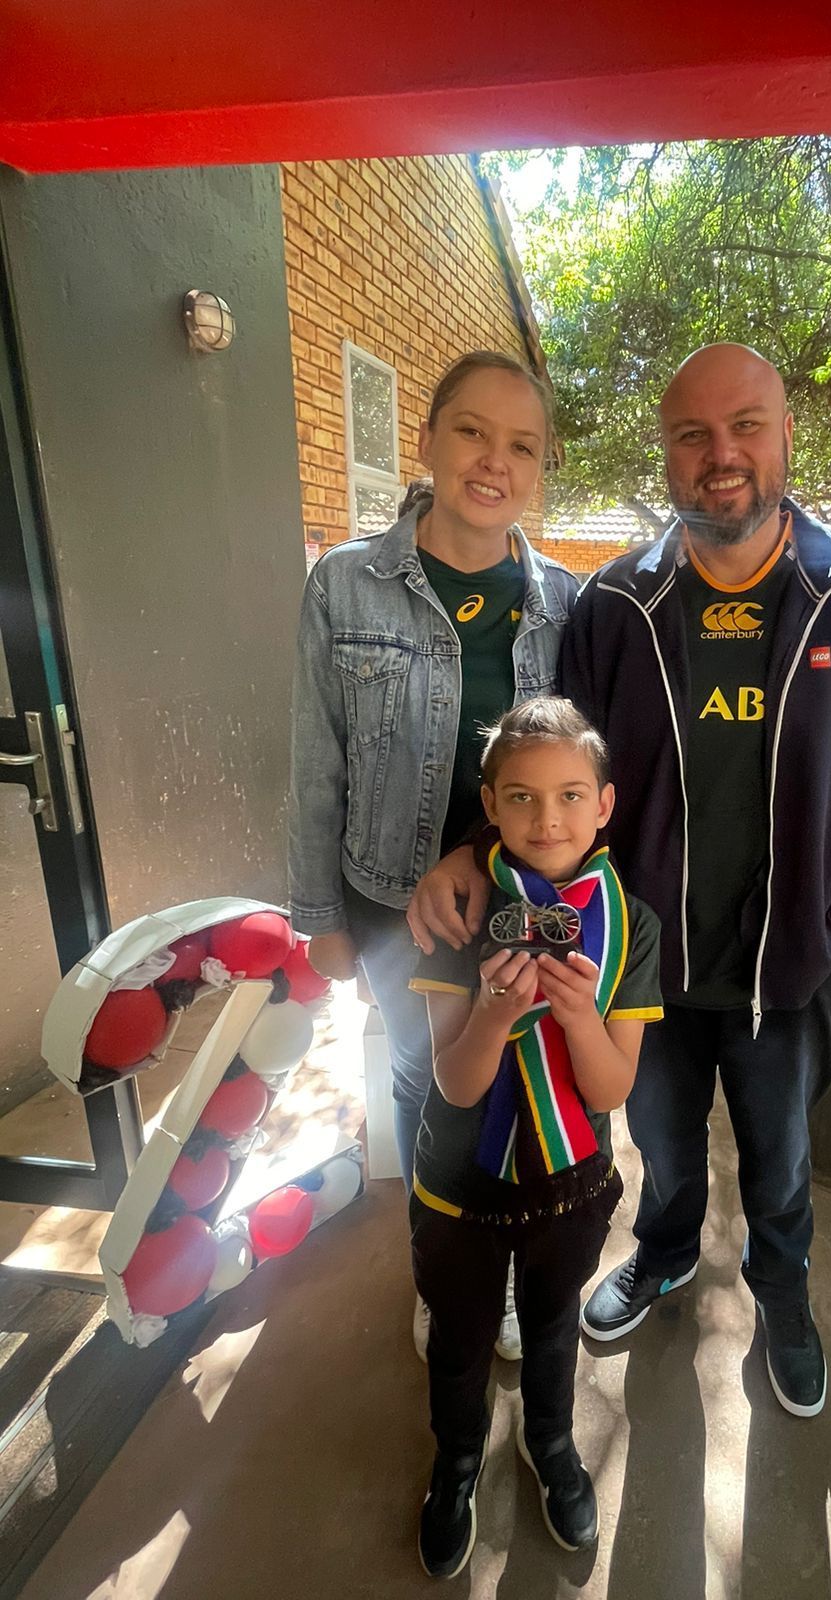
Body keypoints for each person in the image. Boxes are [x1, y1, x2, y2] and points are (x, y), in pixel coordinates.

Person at [408, 343, 831, 1420]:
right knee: (660, 1144)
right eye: (692, 435)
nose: (721, 455)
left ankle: (782, 1294)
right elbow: (554, 773)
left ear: (788, 435)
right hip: (643, 963)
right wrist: (478, 842)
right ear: (667, 454)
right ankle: (661, 1254)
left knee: (782, 1162)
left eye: (746, 425)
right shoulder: (617, 606)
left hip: (788, 964)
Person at [288, 350, 578, 1359]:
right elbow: (315, 764)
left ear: (540, 470)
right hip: (383, 901)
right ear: (426, 439)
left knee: (505, 1083)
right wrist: (315, 917)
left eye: (521, 445)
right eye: (471, 431)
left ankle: (501, 1271)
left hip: (520, 903)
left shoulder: (565, 605)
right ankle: (442, 1273)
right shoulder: (344, 586)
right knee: (421, 1087)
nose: (493, 461)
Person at [408, 697, 661, 1578]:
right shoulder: (456, 916)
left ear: (605, 804)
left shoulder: (634, 925)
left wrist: (579, 1016)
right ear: (489, 804)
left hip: (571, 1180)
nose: (546, 818)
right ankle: (459, 1460)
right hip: (459, 1181)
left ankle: (552, 1444)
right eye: (519, 797)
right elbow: (454, 1080)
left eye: (569, 795)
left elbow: (611, 1085)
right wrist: (493, 1014)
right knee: (461, 1335)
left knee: (554, 1325)